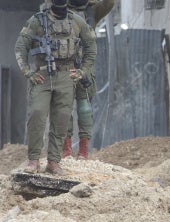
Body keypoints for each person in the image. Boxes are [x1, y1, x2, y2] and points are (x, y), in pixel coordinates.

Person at [14, 0, 95, 174]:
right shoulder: (37, 21)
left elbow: (91, 45)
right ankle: (33, 159)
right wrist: (28, 72)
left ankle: (54, 161)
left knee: (62, 120)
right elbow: (21, 46)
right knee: (37, 114)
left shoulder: (76, 21)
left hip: (66, 76)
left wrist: (83, 71)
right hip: (42, 76)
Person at [61, 0, 116, 159]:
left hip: (85, 63)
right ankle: (66, 149)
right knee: (64, 107)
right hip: (63, 63)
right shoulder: (59, 8)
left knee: (85, 107)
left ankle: (84, 150)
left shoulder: (91, 11)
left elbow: (110, 3)